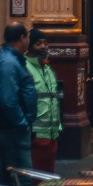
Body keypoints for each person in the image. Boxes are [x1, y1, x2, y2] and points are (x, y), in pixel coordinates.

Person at [0, 22, 36, 186]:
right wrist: (22, 123)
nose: (29, 40)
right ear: (21, 38)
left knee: (8, 177)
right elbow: (8, 100)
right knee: (23, 178)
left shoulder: (10, 59)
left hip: (9, 128)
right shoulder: (9, 63)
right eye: (28, 36)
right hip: (12, 130)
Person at [24, 27, 64, 174]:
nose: (43, 47)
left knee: (48, 176)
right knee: (36, 177)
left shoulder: (47, 68)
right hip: (36, 134)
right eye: (38, 43)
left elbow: (55, 97)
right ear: (30, 46)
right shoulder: (25, 67)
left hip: (52, 134)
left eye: (45, 43)